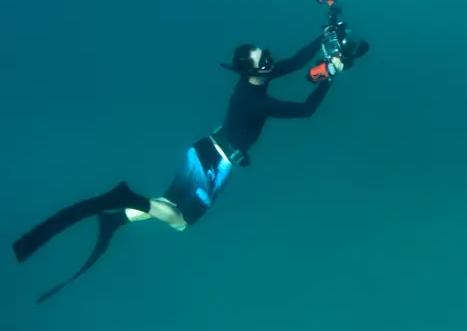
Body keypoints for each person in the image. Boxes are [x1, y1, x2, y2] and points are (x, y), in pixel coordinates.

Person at [11, 32, 369, 304]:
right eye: (266, 58)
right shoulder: (254, 101)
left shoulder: (254, 79)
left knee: (169, 201)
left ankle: (118, 216)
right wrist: (331, 76)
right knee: (180, 221)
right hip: (215, 165)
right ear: (255, 68)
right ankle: (128, 198)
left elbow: (291, 63)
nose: (271, 60)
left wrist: (323, 40)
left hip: (203, 150)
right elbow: (305, 111)